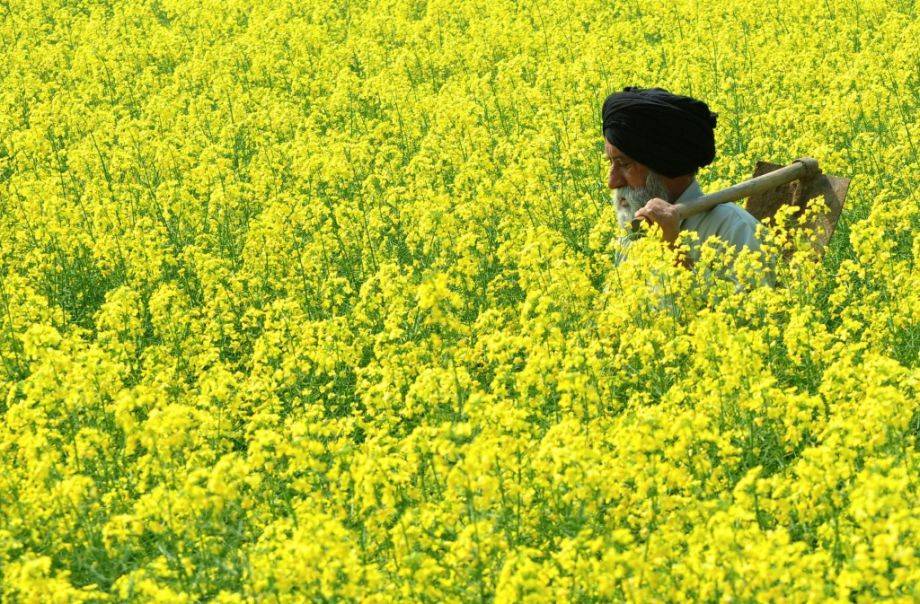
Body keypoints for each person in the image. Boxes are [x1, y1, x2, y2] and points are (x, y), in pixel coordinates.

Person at [602, 86, 763, 271]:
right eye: (610, 163)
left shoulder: (734, 229)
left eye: (625, 164)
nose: (612, 182)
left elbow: (755, 299)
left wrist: (673, 246)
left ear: (663, 164)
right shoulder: (632, 235)